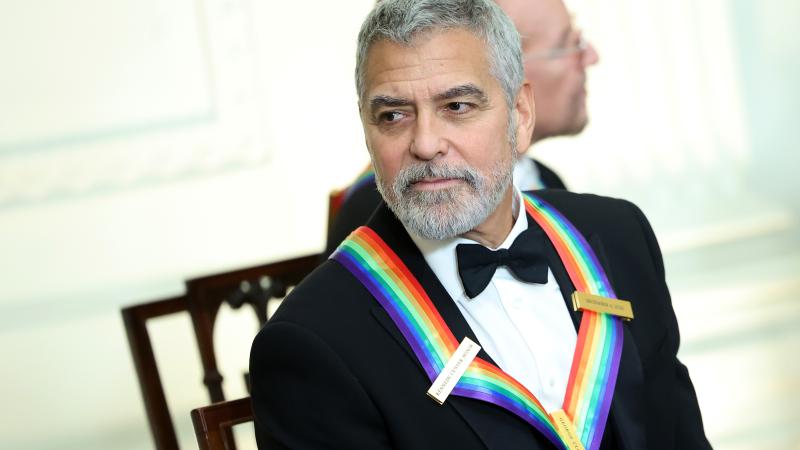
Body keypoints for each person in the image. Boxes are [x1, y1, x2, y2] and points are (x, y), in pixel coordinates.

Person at [250, 0, 711, 449]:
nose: (426, 144)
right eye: (393, 115)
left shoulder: (617, 233)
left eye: (457, 106)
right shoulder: (311, 342)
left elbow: (679, 434)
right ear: (367, 130)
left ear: (520, 115)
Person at [324, 0, 598, 257]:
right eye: (570, 44)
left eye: (455, 106)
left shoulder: (549, 184)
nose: (591, 57)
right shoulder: (377, 219)